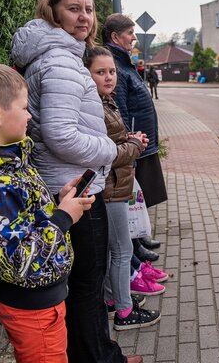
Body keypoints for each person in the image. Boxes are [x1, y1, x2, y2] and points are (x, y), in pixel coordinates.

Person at [10, 0, 141, 363]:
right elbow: (60, 134)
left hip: (65, 180)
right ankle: (101, 358)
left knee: (82, 281)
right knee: (87, 282)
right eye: (73, 8)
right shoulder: (60, 60)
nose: (84, 16)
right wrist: (110, 150)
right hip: (74, 186)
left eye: (88, 8)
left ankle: (95, 353)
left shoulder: (56, 54)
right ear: (52, 10)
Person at [0, 60, 94, 362]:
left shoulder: (7, 162)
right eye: (25, 107)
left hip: (43, 301)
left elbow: (24, 220)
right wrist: (63, 217)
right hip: (33, 307)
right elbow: (18, 262)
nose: (30, 115)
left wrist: (58, 200)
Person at [84, 46, 164, 331]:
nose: (109, 77)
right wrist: (134, 145)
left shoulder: (106, 100)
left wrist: (128, 138)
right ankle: (124, 310)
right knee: (121, 250)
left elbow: (112, 142)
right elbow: (105, 152)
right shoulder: (95, 105)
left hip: (114, 184)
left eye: (112, 71)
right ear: (86, 73)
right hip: (110, 187)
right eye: (100, 72)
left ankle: (111, 299)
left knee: (113, 250)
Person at [102, 14, 167, 260]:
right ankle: (135, 243)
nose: (134, 37)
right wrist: (129, 139)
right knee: (130, 192)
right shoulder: (115, 64)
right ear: (115, 36)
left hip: (140, 141)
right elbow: (119, 107)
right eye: (130, 33)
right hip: (133, 141)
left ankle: (139, 237)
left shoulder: (123, 61)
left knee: (139, 192)